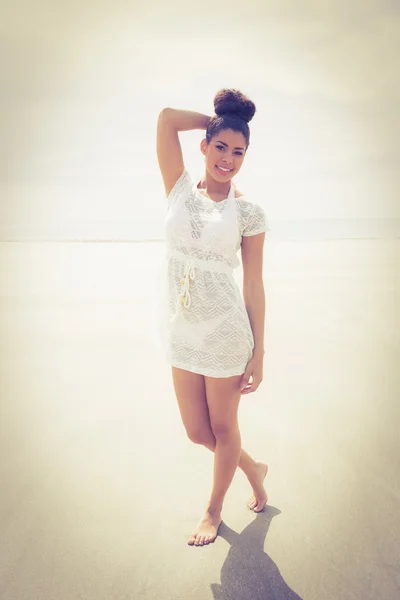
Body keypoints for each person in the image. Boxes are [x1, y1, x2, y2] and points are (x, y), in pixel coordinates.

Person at [155, 88, 269, 547]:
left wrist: (260, 351)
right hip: (182, 331)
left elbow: (254, 284)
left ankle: (214, 509)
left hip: (225, 333)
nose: (228, 158)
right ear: (203, 146)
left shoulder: (249, 211)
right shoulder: (178, 188)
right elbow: (165, 119)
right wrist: (219, 119)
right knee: (197, 431)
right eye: (220, 146)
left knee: (223, 429)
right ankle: (253, 466)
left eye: (238, 151)